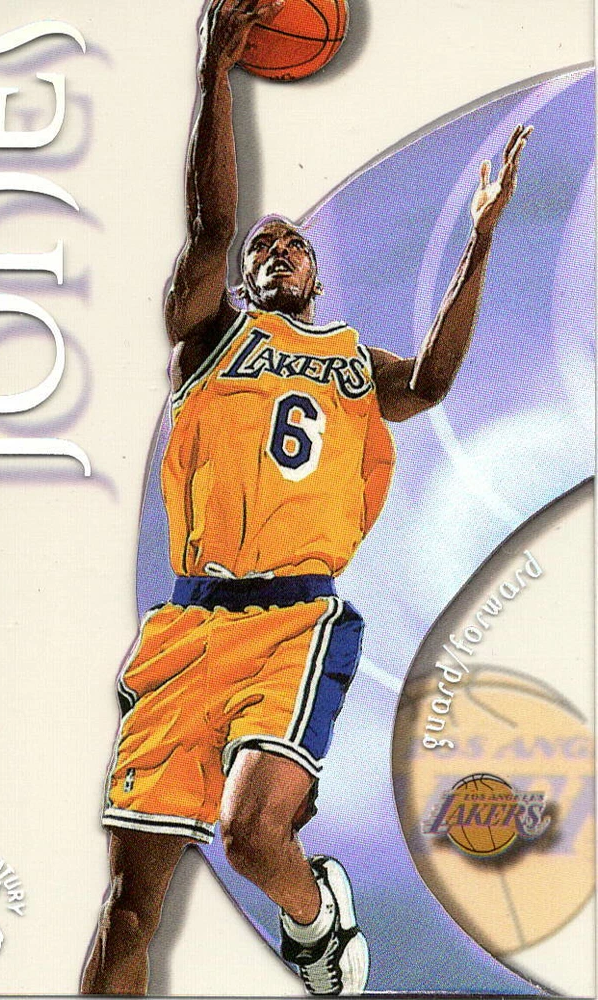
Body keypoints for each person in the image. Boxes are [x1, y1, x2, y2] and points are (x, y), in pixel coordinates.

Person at [80, 0, 531, 994]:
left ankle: (316, 923)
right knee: (128, 909)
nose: (273, 248)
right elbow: (211, 223)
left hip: (294, 619)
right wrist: (214, 71)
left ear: (315, 276)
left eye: (291, 244)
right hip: (186, 630)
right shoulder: (210, 340)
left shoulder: (351, 361)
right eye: (262, 246)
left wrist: (480, 237)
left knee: (249, 834)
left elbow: (433, 381)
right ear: (241, 279)